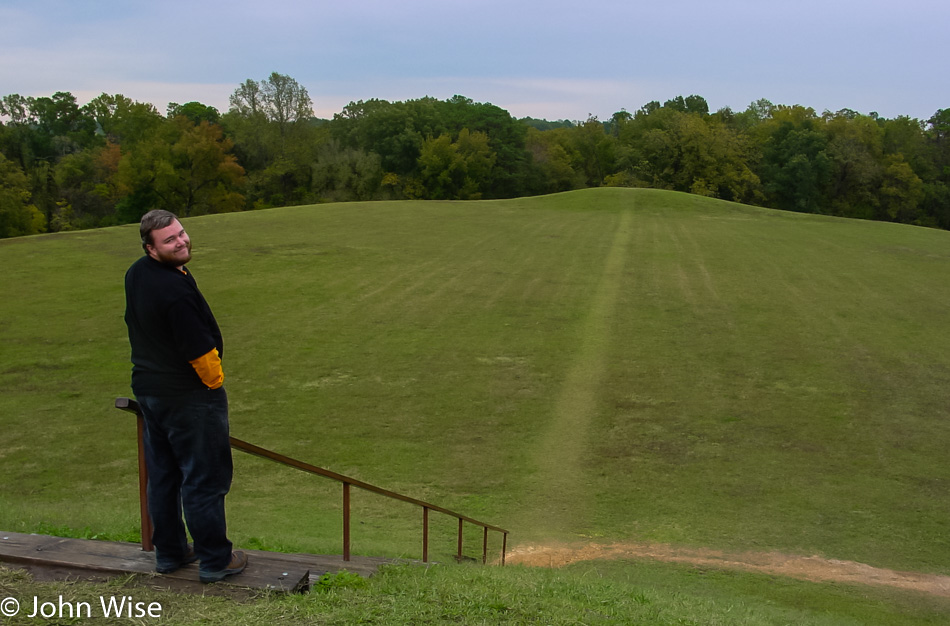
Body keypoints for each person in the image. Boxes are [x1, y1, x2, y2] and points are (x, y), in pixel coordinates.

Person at [124, 209, 247, 584]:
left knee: (163, 475)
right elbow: (200, 352)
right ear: (151, 248)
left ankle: (170, 553)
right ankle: (214, 560)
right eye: (169, 241)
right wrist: (213, 386)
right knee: (205, 478)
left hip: (149, 391)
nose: (180, 242)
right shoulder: (174, 291)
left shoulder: (138, 272)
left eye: (180, 234)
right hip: (188, 398)